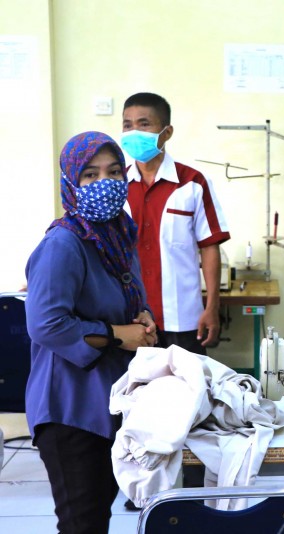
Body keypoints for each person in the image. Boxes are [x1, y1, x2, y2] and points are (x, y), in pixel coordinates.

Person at [25, 131, 157, 533]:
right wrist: (119, 333)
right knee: (82, 524)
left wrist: (144, 317)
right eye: (90, 175)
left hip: (108, 400)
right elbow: (46, 324)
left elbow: (126, 297)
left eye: (114, 172)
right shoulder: (64, 243)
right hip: (70, 408)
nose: (105, 183)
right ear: (71, 182)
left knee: (98, 517)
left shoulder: (117, 235)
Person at [121, 92, 230, 355]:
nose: (135, 132)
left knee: (187, 381)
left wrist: (212, 307)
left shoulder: (193, 183)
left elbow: (209, 246)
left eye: (144, 124)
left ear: (167, 132)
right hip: (130, 320)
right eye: (127, 125)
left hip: (183, 319)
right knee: (133, 383)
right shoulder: (117, 186)